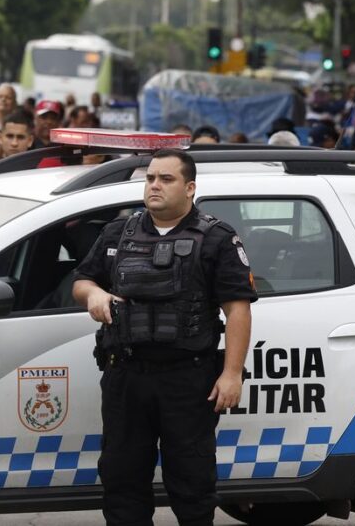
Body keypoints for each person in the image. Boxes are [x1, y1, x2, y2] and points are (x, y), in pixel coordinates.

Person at [71, 148, 255, 526]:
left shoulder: (216, 238)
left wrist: (232, 373)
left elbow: (237, 309)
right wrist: (93, 294)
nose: (155, 185)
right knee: (122, 479)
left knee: (192, 482)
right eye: (151, 178)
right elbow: (82, 280)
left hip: (187, 379)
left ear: (190, 188)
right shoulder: (117, 232)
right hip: (125, 375)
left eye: (166, 179)